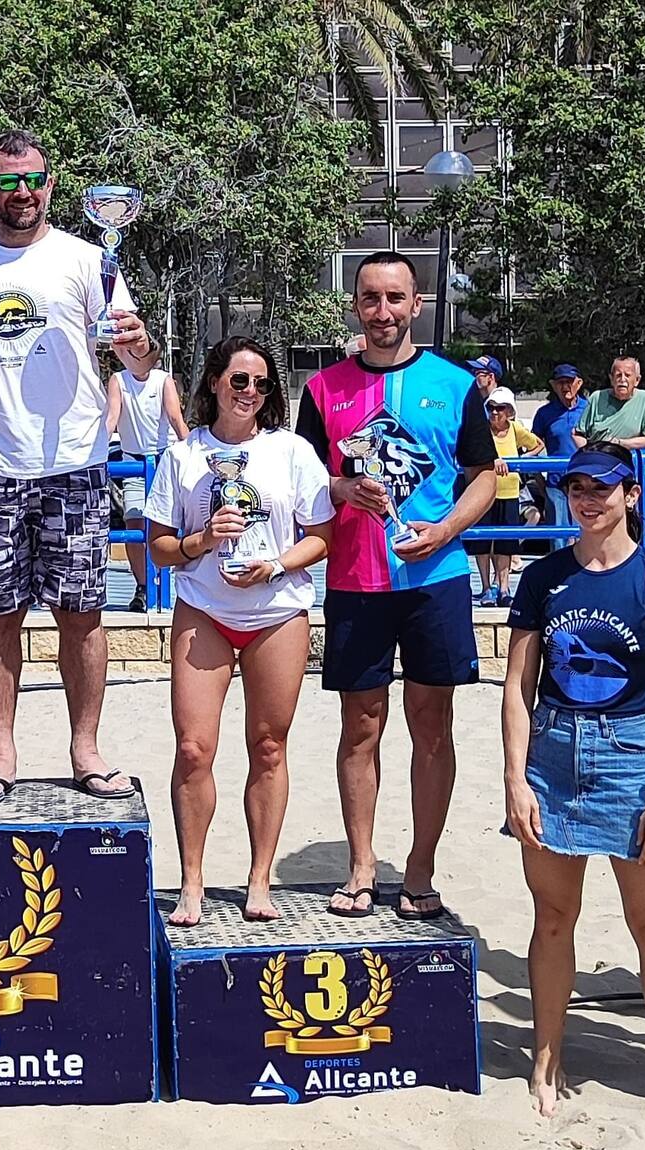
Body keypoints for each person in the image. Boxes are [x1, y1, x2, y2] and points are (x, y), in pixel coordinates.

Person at [0, 129, 160, 803]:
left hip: (75, 462)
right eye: (8, 181)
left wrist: (139, 345)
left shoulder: (90, 259)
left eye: (33, 179)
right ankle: (0, 755)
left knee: (82, 615)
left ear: (52, 185)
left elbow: (137, 358)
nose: (22, 192)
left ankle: (86, 748)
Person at [296, 250, 497, 919]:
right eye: (370, 298)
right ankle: (360, 865)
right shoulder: (322, 388)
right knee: (360, 726)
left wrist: (444, 531)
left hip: (435, 578)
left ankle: (419, 868)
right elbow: (304, 482)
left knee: (432, 726)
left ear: (417, 304)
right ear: (355, 304)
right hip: (355, 581)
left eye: (394, 298)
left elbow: (484, 476)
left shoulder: (455, 384)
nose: (382, 311)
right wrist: (340, 489)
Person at [501, 441, 645, 1129]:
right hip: (555, 754)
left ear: (631, 493)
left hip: (634, 758)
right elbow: (517, 687)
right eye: (577, 488)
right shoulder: (544, 578)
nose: (588, 499)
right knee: (551, 918)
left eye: (602, 487)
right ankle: (546, 1056)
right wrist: (515, 779)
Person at [145, 337, 333, 925]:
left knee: (269, 746)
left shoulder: (293, 451)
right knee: (192, 748)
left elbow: (321, 536)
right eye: (239, 380)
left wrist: (276, 565)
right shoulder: (184, 457)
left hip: (276, 612)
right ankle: (192, 881)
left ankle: (259, 880)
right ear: (214, 383)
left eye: (261, 382)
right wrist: (202, 540)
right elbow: (158, 547)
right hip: (204, 608)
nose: (250, 391)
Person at [107, 357, 189, 612]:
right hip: (133, 458)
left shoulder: (163, 380)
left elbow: (175, 418)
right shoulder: (118, 380)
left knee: (171, 525)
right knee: (133, 523)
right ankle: (143, 586)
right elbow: (112, 417)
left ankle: (178, 587)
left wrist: (193, 452)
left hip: (164, 458)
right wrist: (96, 451)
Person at [466, 387, 545, 607]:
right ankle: (485, 588)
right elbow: (471, 452)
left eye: (500, 408)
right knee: (482, 542)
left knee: (506, 544)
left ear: (509, 410)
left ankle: (503, 588)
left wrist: (521, 459)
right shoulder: (481, 429)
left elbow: (538, 444)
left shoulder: (515, 429)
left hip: (509, 491)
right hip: (482, 492)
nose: (494, 412)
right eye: (491, 407)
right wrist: (493, 460)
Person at [531, 363, 587, 544]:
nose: (565, 387)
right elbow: (532, 447)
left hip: (585, 483)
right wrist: (540, 482)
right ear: (553, 385)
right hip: (556, 485)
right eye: (561, 382)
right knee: (558, 540)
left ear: (579, 383)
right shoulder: (544, 413)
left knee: (585, 536)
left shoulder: (589, 409)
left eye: (569, 382)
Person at [575, 356, 645, 450]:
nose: (622, 379)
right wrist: (588, 453)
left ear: (637, 380)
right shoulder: (597, 398)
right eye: (618, 375)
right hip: (598, 455)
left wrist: (618, 443)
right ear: (611, 379)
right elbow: (577, 434)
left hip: (629, 456)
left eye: (627, 375)